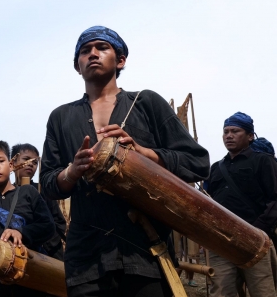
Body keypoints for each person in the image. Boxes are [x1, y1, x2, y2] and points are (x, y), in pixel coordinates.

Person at [40, 25, 210, 297]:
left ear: (120, 60)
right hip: (87, 257)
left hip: (146, 251)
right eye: (85, 51)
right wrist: (72, 171)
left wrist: (145, 154)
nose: (93, 54)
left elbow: (198, 162)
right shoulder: (60, 117)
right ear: (77, 66)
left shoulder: (146, 103)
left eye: (102, 48)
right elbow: (47, 183)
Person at [0, 141, 55, 297]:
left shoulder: (29, 193)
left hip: (32, 280)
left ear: (11, 164)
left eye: (1, 161)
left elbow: (48, 227)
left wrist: (22, 232)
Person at [206, 112, 277, 297]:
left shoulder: (263, 160)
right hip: (222, 240)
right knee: (221, 291)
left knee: (263, 292)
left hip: (257, 240)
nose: (229, 136)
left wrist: (259, 230)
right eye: (226, 131)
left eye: (235, 131)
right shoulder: (216, 168)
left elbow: (275, 198)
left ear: (250, 136)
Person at [11, 143, 67, 260]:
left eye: (35, 162)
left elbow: (58, 223)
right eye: (26, 159)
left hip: (46, 253)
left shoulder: (43, 191)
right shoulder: (7, 193)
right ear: (13, 163)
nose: (31, 164)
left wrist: (42, 241)